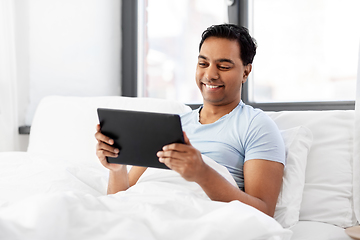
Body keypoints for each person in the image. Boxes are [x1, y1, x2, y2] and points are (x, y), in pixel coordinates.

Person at [95, 24, 285, 217]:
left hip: (194, 216)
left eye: (224, 66)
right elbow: (120, 201)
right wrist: (117, 168)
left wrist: (202, 173)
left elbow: (263, 213)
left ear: (245, 72)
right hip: (145, 210)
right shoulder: (170, 127)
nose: (210, 75)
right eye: (203, 64)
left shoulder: (257, 126)